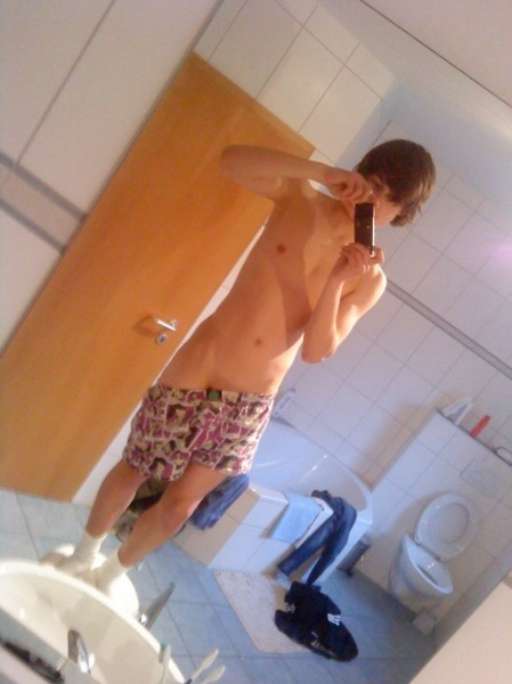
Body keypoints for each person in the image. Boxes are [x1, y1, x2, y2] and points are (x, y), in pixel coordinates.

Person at [51, 140, 435, 595]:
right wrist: (320, 171)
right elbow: (230, 161)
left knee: (181, 505)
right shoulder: (300, 199)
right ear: (359, 173)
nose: (372, 199)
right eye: (372, 183)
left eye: (388, 197)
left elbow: (316, 351)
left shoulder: (369, 280)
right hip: (200, 364)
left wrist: (338, 279)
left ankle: (109, 576)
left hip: (251, 398)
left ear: (400, 214)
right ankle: (83, 556)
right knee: (134, 467)